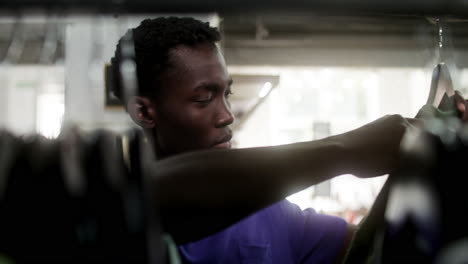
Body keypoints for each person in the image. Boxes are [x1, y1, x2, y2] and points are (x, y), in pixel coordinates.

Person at [109, 17, 468, 263]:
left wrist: (427, 160)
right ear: (144, 112)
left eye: (226, 95)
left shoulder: (270, 213)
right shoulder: (111, 209)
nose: (226, 115)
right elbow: (161, 196)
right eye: (203, 99)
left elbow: (374, 247)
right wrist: (348, 149)